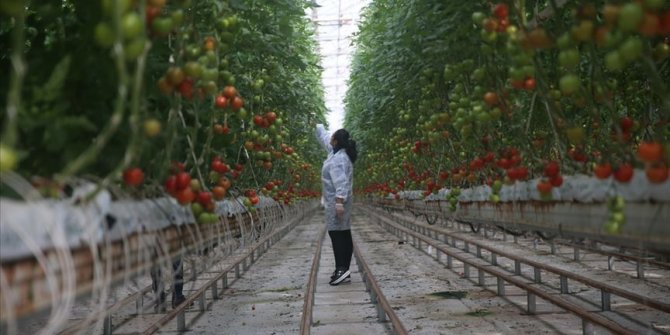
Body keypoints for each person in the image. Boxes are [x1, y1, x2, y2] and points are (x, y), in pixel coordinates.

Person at [315, 124, 357, 285]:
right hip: (338, 201)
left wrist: (339, 201)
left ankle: (341, 268)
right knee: (343, 232)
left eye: (332, 137)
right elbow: (325, 140)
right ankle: (343, 270)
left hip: (337, 201)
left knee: (337, 234)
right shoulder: (338, 153)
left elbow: (341, 182)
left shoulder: (338, 159)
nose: (329, 139)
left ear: (336, 141)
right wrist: (318, 126)